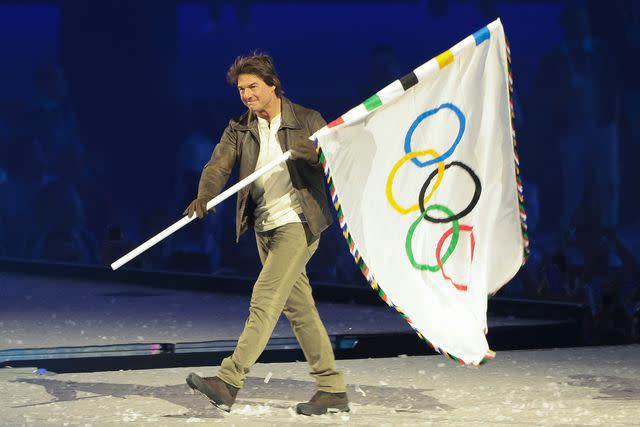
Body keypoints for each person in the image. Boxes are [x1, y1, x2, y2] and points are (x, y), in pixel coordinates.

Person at [183, 52, 349, 416]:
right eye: (242, 89)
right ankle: (332, 388)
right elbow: (217, 165)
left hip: (299, 222)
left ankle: (229, 380)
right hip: (265, 226)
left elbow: (338, 157)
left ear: (273, 84)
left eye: (253, 86)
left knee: (266, 294)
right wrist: (205, 196)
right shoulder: (239, 128)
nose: (246, 94)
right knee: (299, 309)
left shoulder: (306, 119)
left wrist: (314, 152)